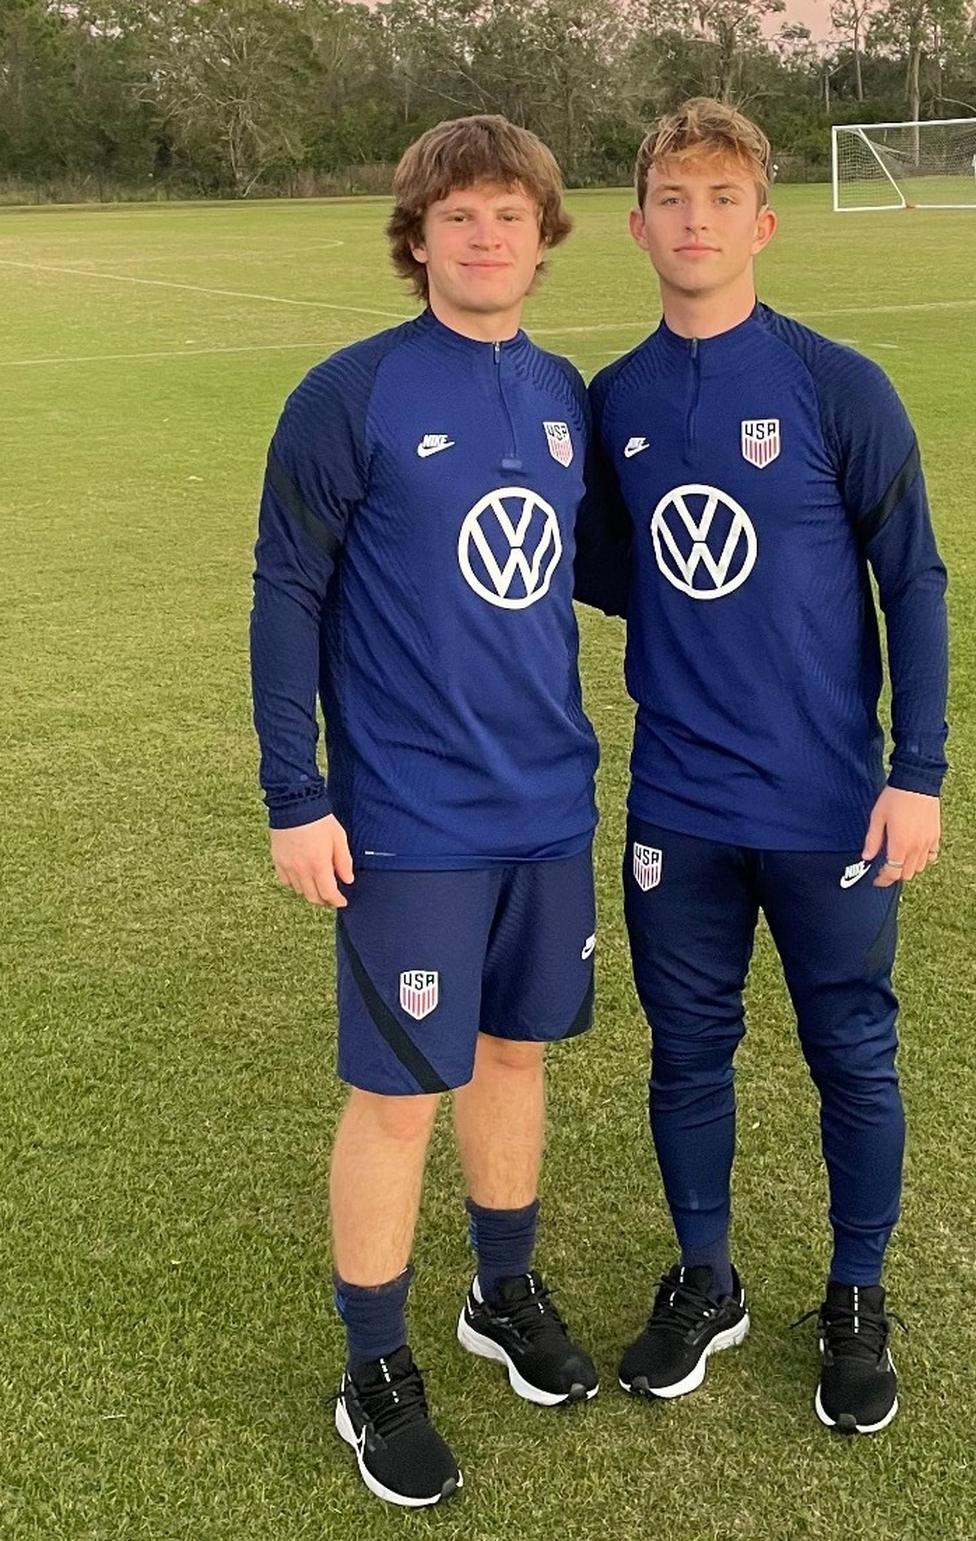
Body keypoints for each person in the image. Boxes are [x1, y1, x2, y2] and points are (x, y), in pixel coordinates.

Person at [250, 114, 601, 1509]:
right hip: (408, 818)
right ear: (417, 237)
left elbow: (591, 571)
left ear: (543, 235)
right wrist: (297, 794)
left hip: (551, 803)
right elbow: (289, 599)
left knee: (515, 1058)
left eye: (509, 212)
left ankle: (500, 1292)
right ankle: (373, 1364)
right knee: (399, 1097)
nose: (486, 234)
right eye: (458, 214)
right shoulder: (351, 396)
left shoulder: (567, 390)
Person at [584, 98, 949, 1434]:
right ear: (638, 225)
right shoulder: (613, 398)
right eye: (674, 199)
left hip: (830, 802)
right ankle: (706, 1276)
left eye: (722, 199)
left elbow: (912, 578)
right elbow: (613, 574)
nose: (696, 222)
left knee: (851, 1047)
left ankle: (856, 1294)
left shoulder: (834, 382)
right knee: (688, 1051)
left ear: (764, 222)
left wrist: (920, 767)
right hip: (680, 799)